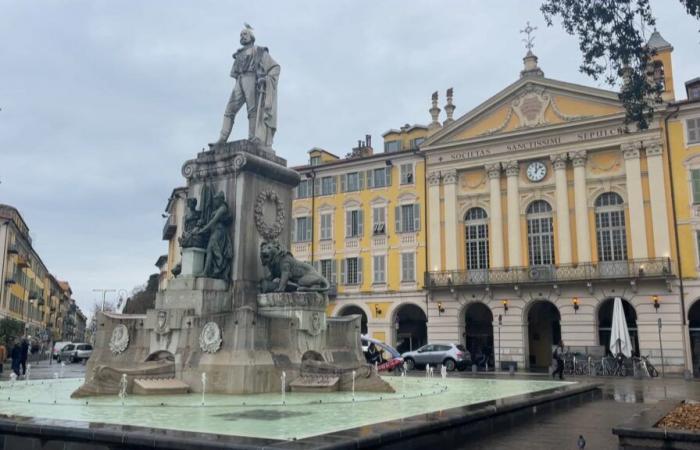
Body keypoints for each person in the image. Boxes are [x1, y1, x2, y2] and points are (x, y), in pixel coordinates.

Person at [215, 24, 280, 147]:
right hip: (240, 80)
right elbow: (234, 73)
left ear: (251, 37)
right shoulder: (239, 54)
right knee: (229, 110)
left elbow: (275, 67)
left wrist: (266, 79)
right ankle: (222, 139)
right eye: (241, 35)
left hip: (251, 78)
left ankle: (253, 138)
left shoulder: (259, 51)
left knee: (252, 110)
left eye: (245, 34)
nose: (242, 36)